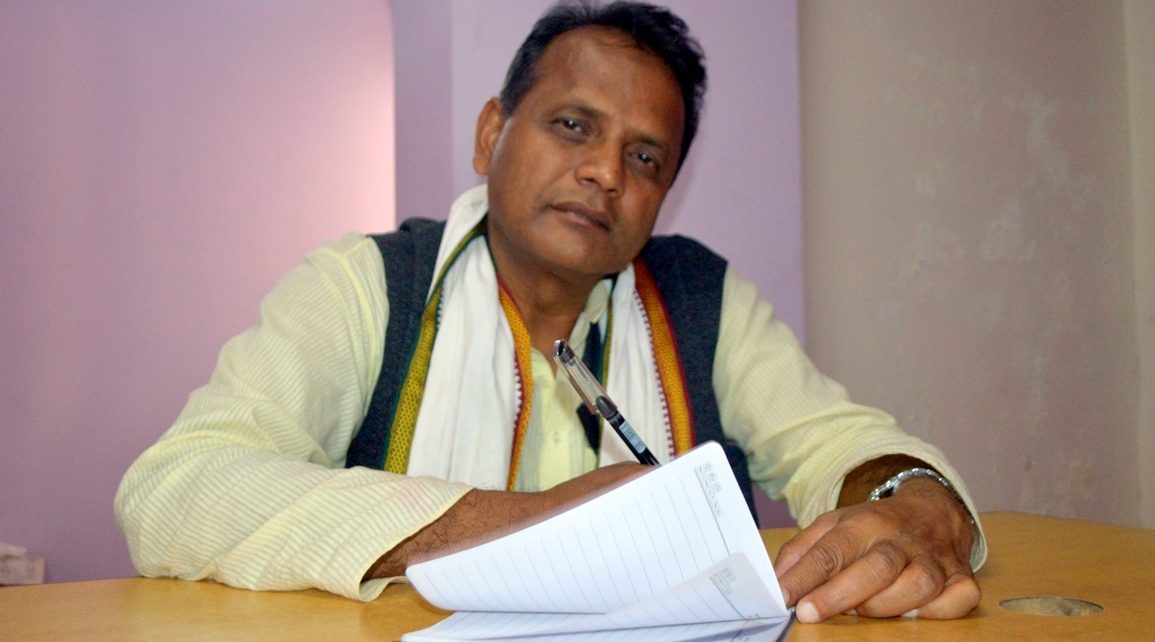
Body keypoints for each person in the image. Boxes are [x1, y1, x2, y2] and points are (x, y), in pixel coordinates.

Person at [115, 0, 985, 624]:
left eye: (644, 158)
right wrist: (540, 523)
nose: (606, 172)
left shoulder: (701, 299)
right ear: (491, 134)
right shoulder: (365, 286)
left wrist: (914, 505)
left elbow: (838, 444)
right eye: (573, 126)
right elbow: (176, 491)